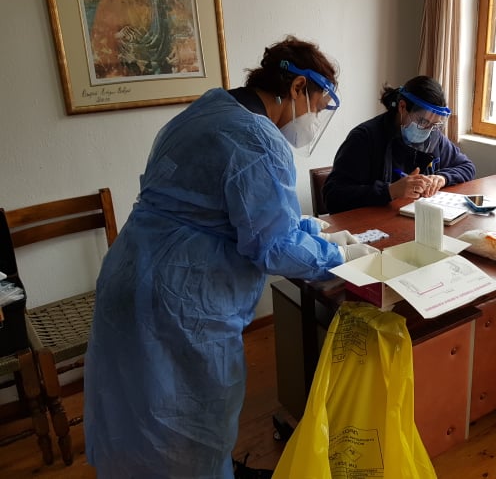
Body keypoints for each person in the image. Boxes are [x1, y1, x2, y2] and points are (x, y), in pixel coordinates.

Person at [83, 36, 377, 479]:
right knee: (189, 418)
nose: (313, 121)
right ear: (297, 87)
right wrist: (337, 255)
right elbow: (272, 246)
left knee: (137, 410)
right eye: (317, 108)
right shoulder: (258, 139)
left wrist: (310, 228)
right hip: (180, 299)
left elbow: (222, 210)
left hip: (130, 270)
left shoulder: (208, 109)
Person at [323, 75, 476, 213]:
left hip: (414, 221)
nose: (428, 131)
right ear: (402, 107)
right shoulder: (365, 138)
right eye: (423, 122)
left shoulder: (434, 137)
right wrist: (390, 191)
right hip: (372, 224)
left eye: (434, 125)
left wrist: (442, 178)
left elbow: (467, 167)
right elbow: (333, 197)